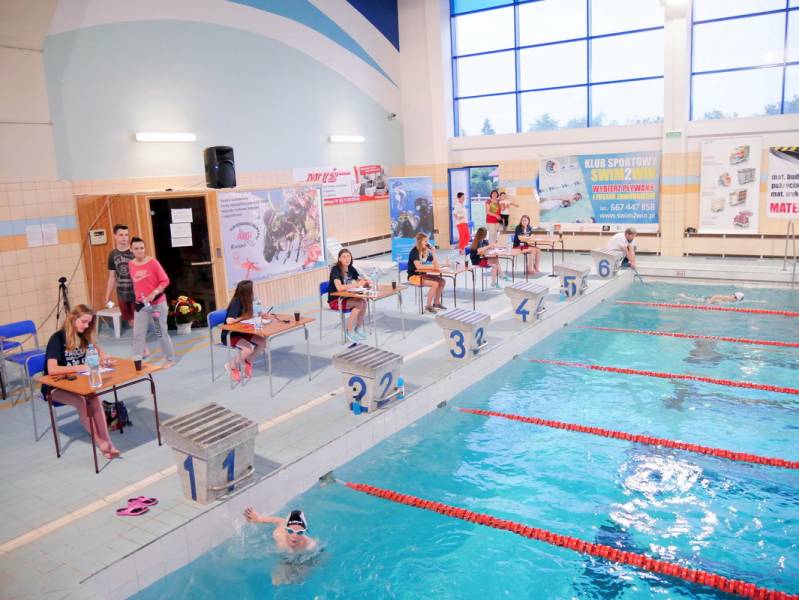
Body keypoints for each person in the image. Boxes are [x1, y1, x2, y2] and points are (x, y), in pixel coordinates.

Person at [41, 304, 120, 459]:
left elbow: (96, 349)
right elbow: (52, 369)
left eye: (89, 323)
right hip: (54, 388)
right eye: (84, 322)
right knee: (81, 402)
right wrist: (80, 367)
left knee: (95, 399)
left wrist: (104, 358)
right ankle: (101, 443)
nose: (86, 326)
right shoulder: (57, 338)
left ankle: (109, 442)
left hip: (76, 385)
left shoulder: (83, 335)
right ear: (73, 318)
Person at [128, 237, 176, 368]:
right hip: (141, 305)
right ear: (131, 250)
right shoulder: (131, 264)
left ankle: (170, 358)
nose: (139, 251)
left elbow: (165, 281)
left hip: (157, 304)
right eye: (136, 248)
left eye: (142, 248)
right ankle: (137, 360)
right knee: (138, 333)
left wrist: (154, 292)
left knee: (160, 332)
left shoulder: (153, 262)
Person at [104, 225, 149, 355]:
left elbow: (145, 270)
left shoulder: (134, 252)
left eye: (126, 235)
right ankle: (140, 345)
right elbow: (112, 276)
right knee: (131, 322)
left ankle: (142, 347)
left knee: (137, 321)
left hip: (136, 293)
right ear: (115, 236)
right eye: (121, 235)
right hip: (122, 294)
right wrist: (107, 295)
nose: (124, 238)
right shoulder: (113, 255)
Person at [222, 280, 267, 383]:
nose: (253, 290)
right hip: (231, 334)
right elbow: (229, 321)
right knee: (248, 348)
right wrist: (243, 317)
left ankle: (248, 361)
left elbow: (254, 313)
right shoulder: (236, 302)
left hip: (243, 332)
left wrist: (262, 315)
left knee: (263, 342)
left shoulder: (248, 300)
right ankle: (231, 366)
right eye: (252, 289)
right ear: (247, 291)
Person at [328, 249, 368, 344]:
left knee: (364, 302)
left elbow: (358, 279)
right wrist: (356, 284)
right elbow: (339, 288)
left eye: (348, 256)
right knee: (359, 304)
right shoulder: (335, 270)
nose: (346, 259)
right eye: (344, 257)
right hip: (335, 301)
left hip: (346, 298)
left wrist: (366, 282)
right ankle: (349, 331)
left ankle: (358, 328)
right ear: (339, 259)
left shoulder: (350, 268)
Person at [244, 508, 317, 553]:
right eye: (290, 531)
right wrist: (259, 519)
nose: (294, 535)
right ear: (286, 529)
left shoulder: (309, 545)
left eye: (299, 532)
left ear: (304, 532)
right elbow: (275, 520)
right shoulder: (279, 534)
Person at [408, 232, 446, 313]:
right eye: (425, 241)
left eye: (427, 241)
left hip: (423, 275)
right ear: (420, 242)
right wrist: (432, 267)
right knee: (435, 284)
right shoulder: (414, 252)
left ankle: (436, 303)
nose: (427, 243)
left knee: (442, 281)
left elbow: (436, 264)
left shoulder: (425, 251)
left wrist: (433, 252)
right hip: (414, 277)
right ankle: (428, 306)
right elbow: (419, 267)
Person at [677, 291, 745, 305]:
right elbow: (716, 296)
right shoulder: (728, 298)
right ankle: (683, 296)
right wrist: (710, 302)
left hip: (709, 299)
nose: (732, 295)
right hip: (708, 299)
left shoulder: (731, 300)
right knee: (693, 300)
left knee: (694, 300)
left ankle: (684, 296)